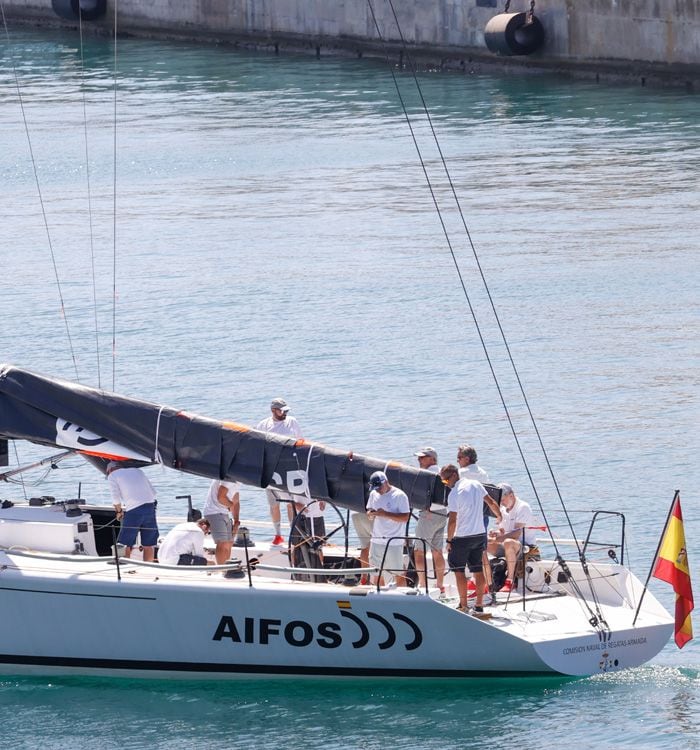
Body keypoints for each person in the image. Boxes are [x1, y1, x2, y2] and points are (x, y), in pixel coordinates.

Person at [440, 463, 502, 617]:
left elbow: (452, 520)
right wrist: (499, 516)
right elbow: (491, 502)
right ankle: (479, 605)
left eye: (446, 481)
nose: (446, 484)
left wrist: (449, 541)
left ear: (454, 475)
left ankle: (463, 605)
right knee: (477, 569)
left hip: (462, 537)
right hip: (479, 535)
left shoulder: (454, 494)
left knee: (459, 571)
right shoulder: (476, 484)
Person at [256, 397, 303, 546]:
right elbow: (256, 445)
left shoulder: (292, 422)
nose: (285, 413)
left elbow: (301, 442)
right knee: (274, 503)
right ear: (273, 410)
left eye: (286, 410)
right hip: (271, 470)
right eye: (282, 411)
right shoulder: (264, 425)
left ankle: (293, 533)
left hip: (289, 468)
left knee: (291, 502)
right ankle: (277, 535)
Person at [487, 482, 541, 593]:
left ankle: (510, 581)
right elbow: (503, 532)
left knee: (508, 542)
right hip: (508, 545)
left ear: (511, 495)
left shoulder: (523, 507)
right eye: (500, 501)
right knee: (484, 543)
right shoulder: (503, 509)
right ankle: (487, 582)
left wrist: (498, 539)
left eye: (503, 500)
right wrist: (496, 533)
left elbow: (516, 534)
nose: (501, 503)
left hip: (524, 546)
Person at [107, 461, 159, 561]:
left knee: (125, 544)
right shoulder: (137, 470)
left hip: (134, 510)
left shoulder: (112, 475)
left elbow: (116, 499)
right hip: (150, 507)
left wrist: (119, 512)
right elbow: (153, 492)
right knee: (149, 544)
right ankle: (148, 568)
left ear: (109, 470)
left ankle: (125, 569)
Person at [411, 447, 446, 593]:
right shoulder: (443, 472)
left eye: (422, 457)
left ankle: (423, 585)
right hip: (443, 514)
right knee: (437, 551)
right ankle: (440, 585)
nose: (419, 460)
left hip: (429, 514)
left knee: (419, 551)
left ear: (432, 459)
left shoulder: (427, 474)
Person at [366, 470, 411, 586]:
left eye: (379, 487)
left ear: (386, 482)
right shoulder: (373, 494)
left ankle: (403, 601)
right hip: (376, 540)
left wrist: (385, 514)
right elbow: (369, 509)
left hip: (394, 542)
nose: (378, 491)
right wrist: (370, 514)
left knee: (398, 575)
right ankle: (379, 601)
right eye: (375, 488)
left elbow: (405, 518)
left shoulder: (399, 496)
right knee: (376, 574)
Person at [203, 479, 241, 564]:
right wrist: (231, 505)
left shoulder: (238, 480)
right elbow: (221, 497)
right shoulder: (230, 478)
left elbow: (236, 501)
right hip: (213, 511)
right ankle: (222, 569)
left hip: (224, 512)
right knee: (222, 543)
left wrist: (236, 520)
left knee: (229, 543)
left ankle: (227, 568)